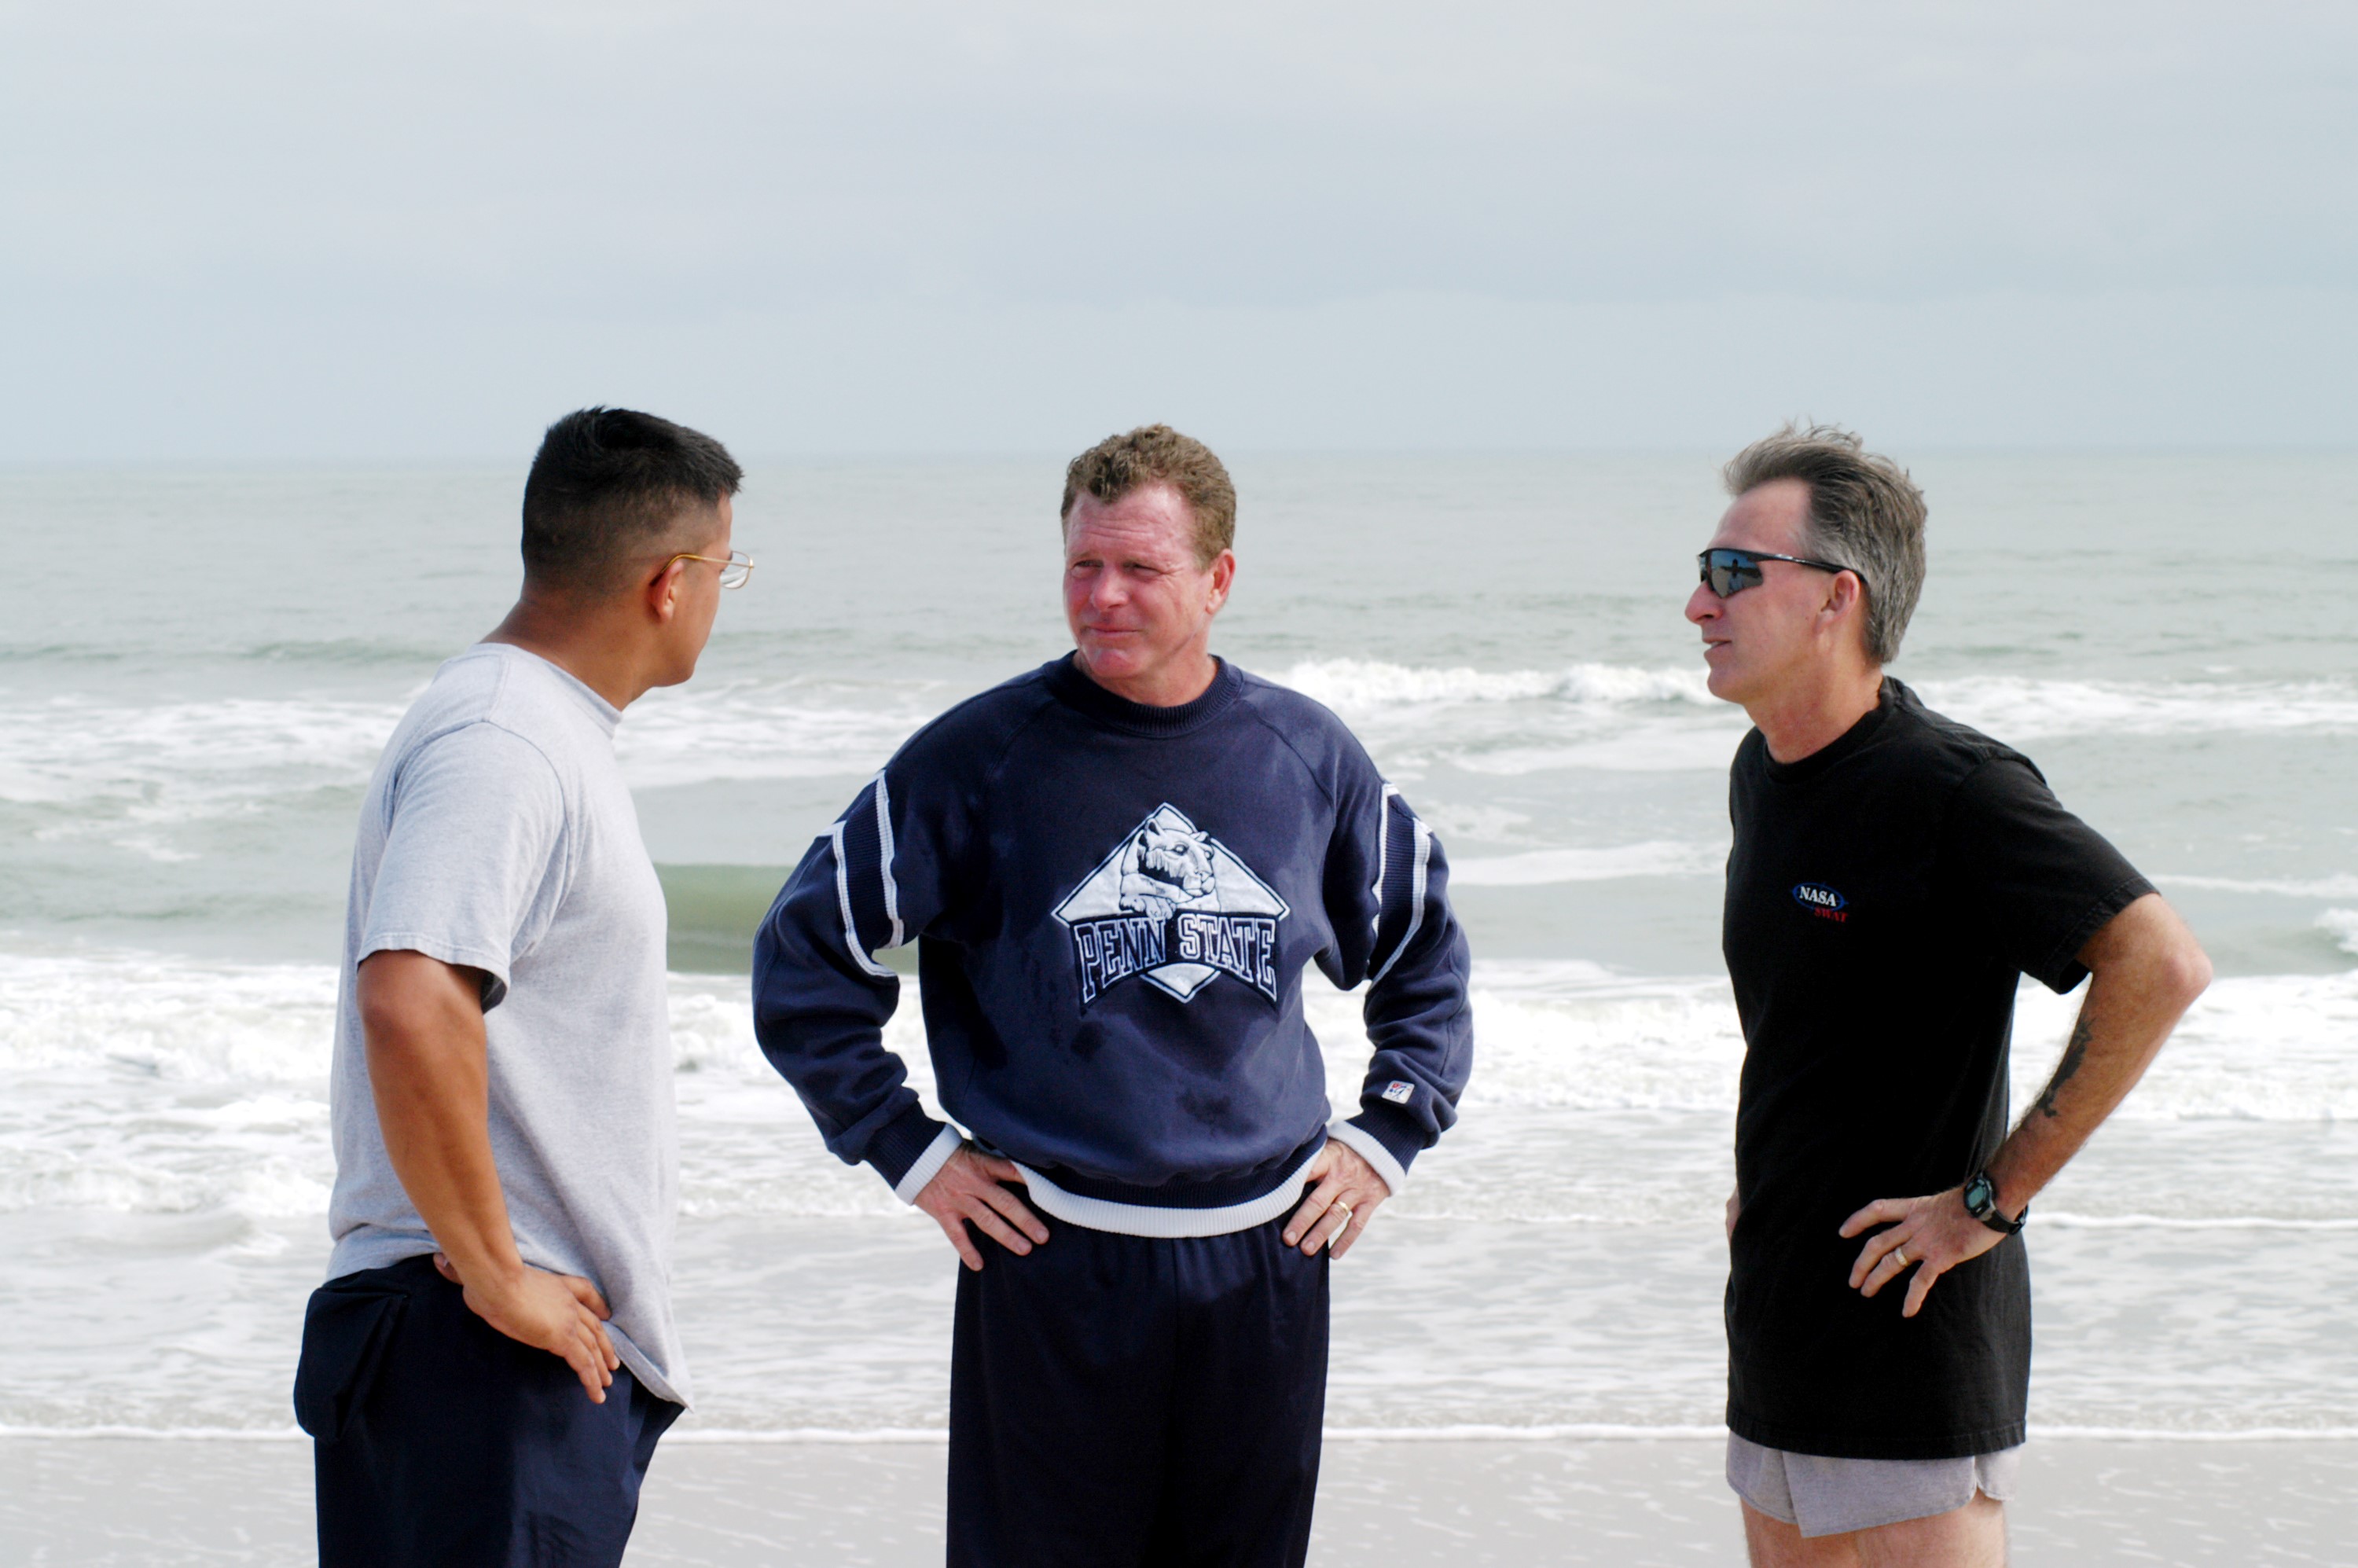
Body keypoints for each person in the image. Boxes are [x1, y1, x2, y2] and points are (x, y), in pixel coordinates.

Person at [752, 423, 1473, 1567]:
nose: (1103, 598)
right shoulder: (980, 758)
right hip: (1049, 1262)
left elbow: (1424, 947)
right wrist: (908, 1150)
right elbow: (806, 952)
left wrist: (1390, 1132)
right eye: (1084, 566)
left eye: (1141, 569)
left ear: (1219, 580)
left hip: (1266, 1264)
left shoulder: (1305, 757)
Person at [1684, 424, 2212, 1566]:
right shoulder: (1763, 773)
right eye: (1702, 572)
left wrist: (1989, 1201)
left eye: (1734, 573)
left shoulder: (1954, 790)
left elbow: (2161, 964)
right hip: (1781, 1313)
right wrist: (1761, 1191)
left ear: (1838, 600)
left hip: (1909, 1337)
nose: (1698, 604)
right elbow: (1809, 1027)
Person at [292, 406, 750, 1566]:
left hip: (489, 1354)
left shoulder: (534, 729)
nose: (720, 596)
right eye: (725, 568)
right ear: (667, 580)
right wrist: (500, 1276)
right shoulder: (510, 739)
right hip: (478, 1355)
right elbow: (408, 994)